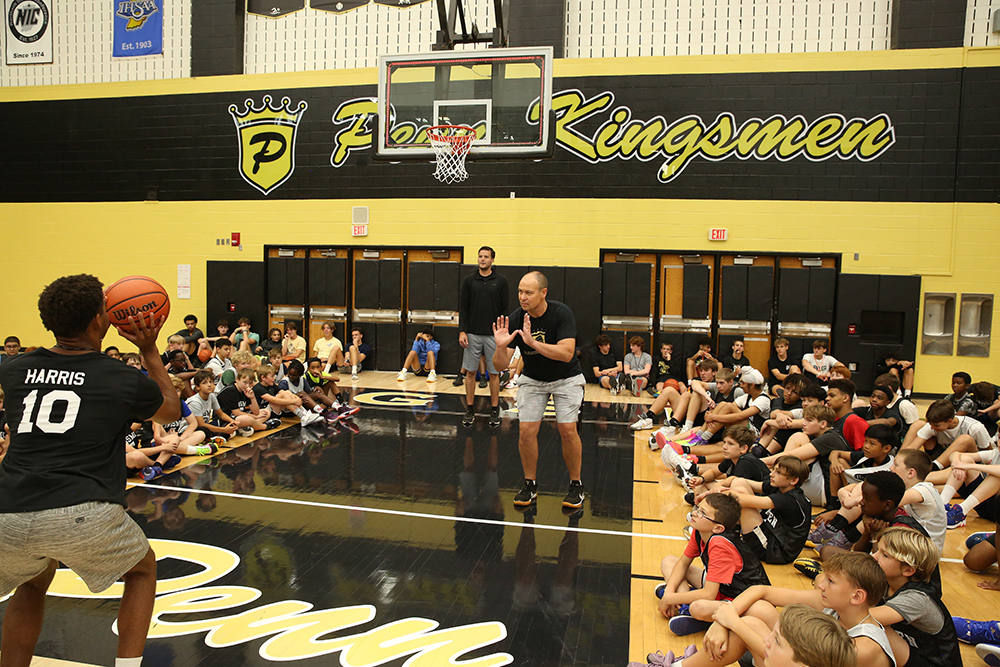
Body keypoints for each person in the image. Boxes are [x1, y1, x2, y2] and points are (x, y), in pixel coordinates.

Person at [0, 273, 180, 667]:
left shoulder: (13, 369)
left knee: (31, 582)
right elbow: (169, 412)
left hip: (9, 509)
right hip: (81, 509)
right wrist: (149, 349)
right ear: (100, 320)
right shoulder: (120, 377)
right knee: (142, 571)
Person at [492, 271, 587, 512]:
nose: (522, 297)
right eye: (520, 292)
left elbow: (567, 353)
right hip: (533, 379)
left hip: (566, 378)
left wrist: (533, 343)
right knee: (526, 431)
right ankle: (530, 484)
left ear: (543, 293)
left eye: (528, 292)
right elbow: (500, 366)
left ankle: (576, 485)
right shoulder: (516, 318)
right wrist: (500, 347)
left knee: (568, 429)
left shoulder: (561, 313)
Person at [656, 493, 770, 636]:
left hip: (742, 598)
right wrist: (670, 592)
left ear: (718, 528)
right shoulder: (700, 531)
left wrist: (669, 598)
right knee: (668, 562)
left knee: (698, 607)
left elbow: (708, 594)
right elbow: (683, 563)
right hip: (721, 589)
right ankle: (684, 606)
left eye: (702, 513)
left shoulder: (720, 544)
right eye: (697, 508)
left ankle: (699, 615)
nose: (694, 513)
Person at [870, 527, 962, 667]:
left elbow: (863, 618)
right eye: (877, 550)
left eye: (884, 555)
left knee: (874, 628)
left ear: (908, 570)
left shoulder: (917, 599)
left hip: (933, 663)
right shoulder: (886, 582)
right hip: (913, 654)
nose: (874, 557)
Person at [727, 455, 812, 565]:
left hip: (775, 550)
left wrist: (714, 492)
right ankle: (733, 536)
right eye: (773, 470)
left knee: (743, 504)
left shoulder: (790, 500)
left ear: (793, 480)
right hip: (769, 532)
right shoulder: (781, 486)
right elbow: (740, 480)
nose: (771, 474)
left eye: (778, 472)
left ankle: (731, 538)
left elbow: (741, 500)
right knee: (739, 484)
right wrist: (720, 485)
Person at [458, 246, 509, 427]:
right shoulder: (469, 280)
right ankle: (470, 409)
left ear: (492, 260)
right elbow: (463, 308)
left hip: (493, 335)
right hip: (472, 333)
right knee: (471, 372)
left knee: (494, 373)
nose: (482, 259)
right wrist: (462, 331)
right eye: (480, 256)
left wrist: (503, 334)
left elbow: (505, 309)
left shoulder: (501, 281)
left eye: (486, 257)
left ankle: (494, 409)